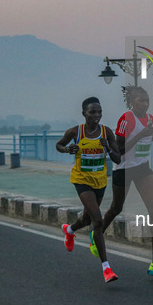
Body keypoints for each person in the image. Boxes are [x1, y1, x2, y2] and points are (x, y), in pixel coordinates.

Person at [98, 86, 153, 278]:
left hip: (142, 168)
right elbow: (118, 150)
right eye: (141, 100)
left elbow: (144, 139)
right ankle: (96, 233)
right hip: (123, 169)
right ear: (132, 102)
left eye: (147, 100)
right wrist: (141, 135)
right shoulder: (126, 119)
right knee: (116, 208)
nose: (146, 104)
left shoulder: (149, 119)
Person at [56, 97, 121, 283]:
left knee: (86, 219)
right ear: (84, 113)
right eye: (92, 112)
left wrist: (108, 148)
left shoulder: (106, 132)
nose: (97, 115)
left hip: (100, 181)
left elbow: (117, 159)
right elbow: (58, 145)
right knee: (98, 221)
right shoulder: (76, 132)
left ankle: (69, 230)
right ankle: (106, 268)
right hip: (81, 180)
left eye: (99, 112)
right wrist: (68, 149)